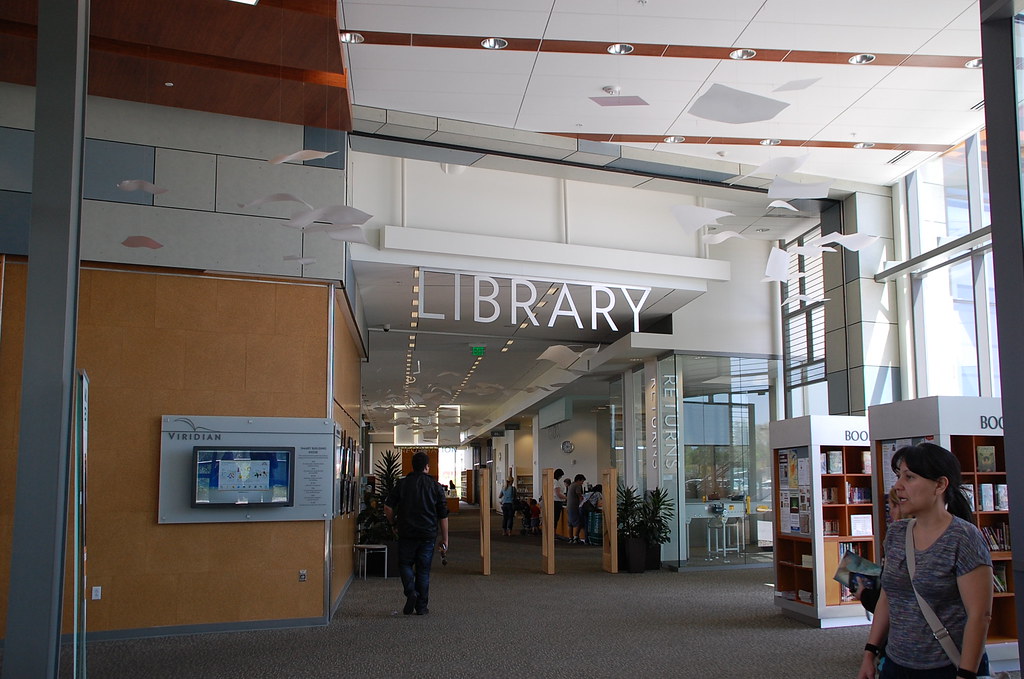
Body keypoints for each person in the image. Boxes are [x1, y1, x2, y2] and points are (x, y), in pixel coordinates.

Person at [857, 443, 992, 679]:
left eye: (909, 477)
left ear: (940, 485)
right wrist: (870, 652)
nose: (898, 486)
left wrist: (966, 674)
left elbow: (979, 615)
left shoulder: (964, 538)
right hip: (896, 664)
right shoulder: (897, 534)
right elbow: (887, 598)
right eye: (899, 476)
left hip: (948, 666)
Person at [384, 451, 449, 616]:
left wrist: (393, 524)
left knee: (405, 564)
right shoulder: (436, 486)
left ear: (412, 466)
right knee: (423, 570)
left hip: (406, 533)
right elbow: (443, 515)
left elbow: (387, 507)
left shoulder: (402, 484)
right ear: (427, 467)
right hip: (428, 535)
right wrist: (445, 539)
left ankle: (411, 591)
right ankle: (421, 607)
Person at [566, 474, 586, 544]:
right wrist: (583, 500)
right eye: (582, 481)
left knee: (570, 523)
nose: (582, 483)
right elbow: (580, 496)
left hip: (569, 506)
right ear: (578, 480)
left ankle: (570, 538)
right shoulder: (577, 486)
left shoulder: (571, 485)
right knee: (577, 523)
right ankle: (576, 538)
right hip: (574, 506)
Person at [552, 468, 567, 532]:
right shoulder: (556, 482)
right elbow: (558, 494)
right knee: (555, 518)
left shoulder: (552, 481)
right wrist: (567, 498)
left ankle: (552, 532)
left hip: (554, 501)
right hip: (557, 502)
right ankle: (554, 532)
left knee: (553, 519)